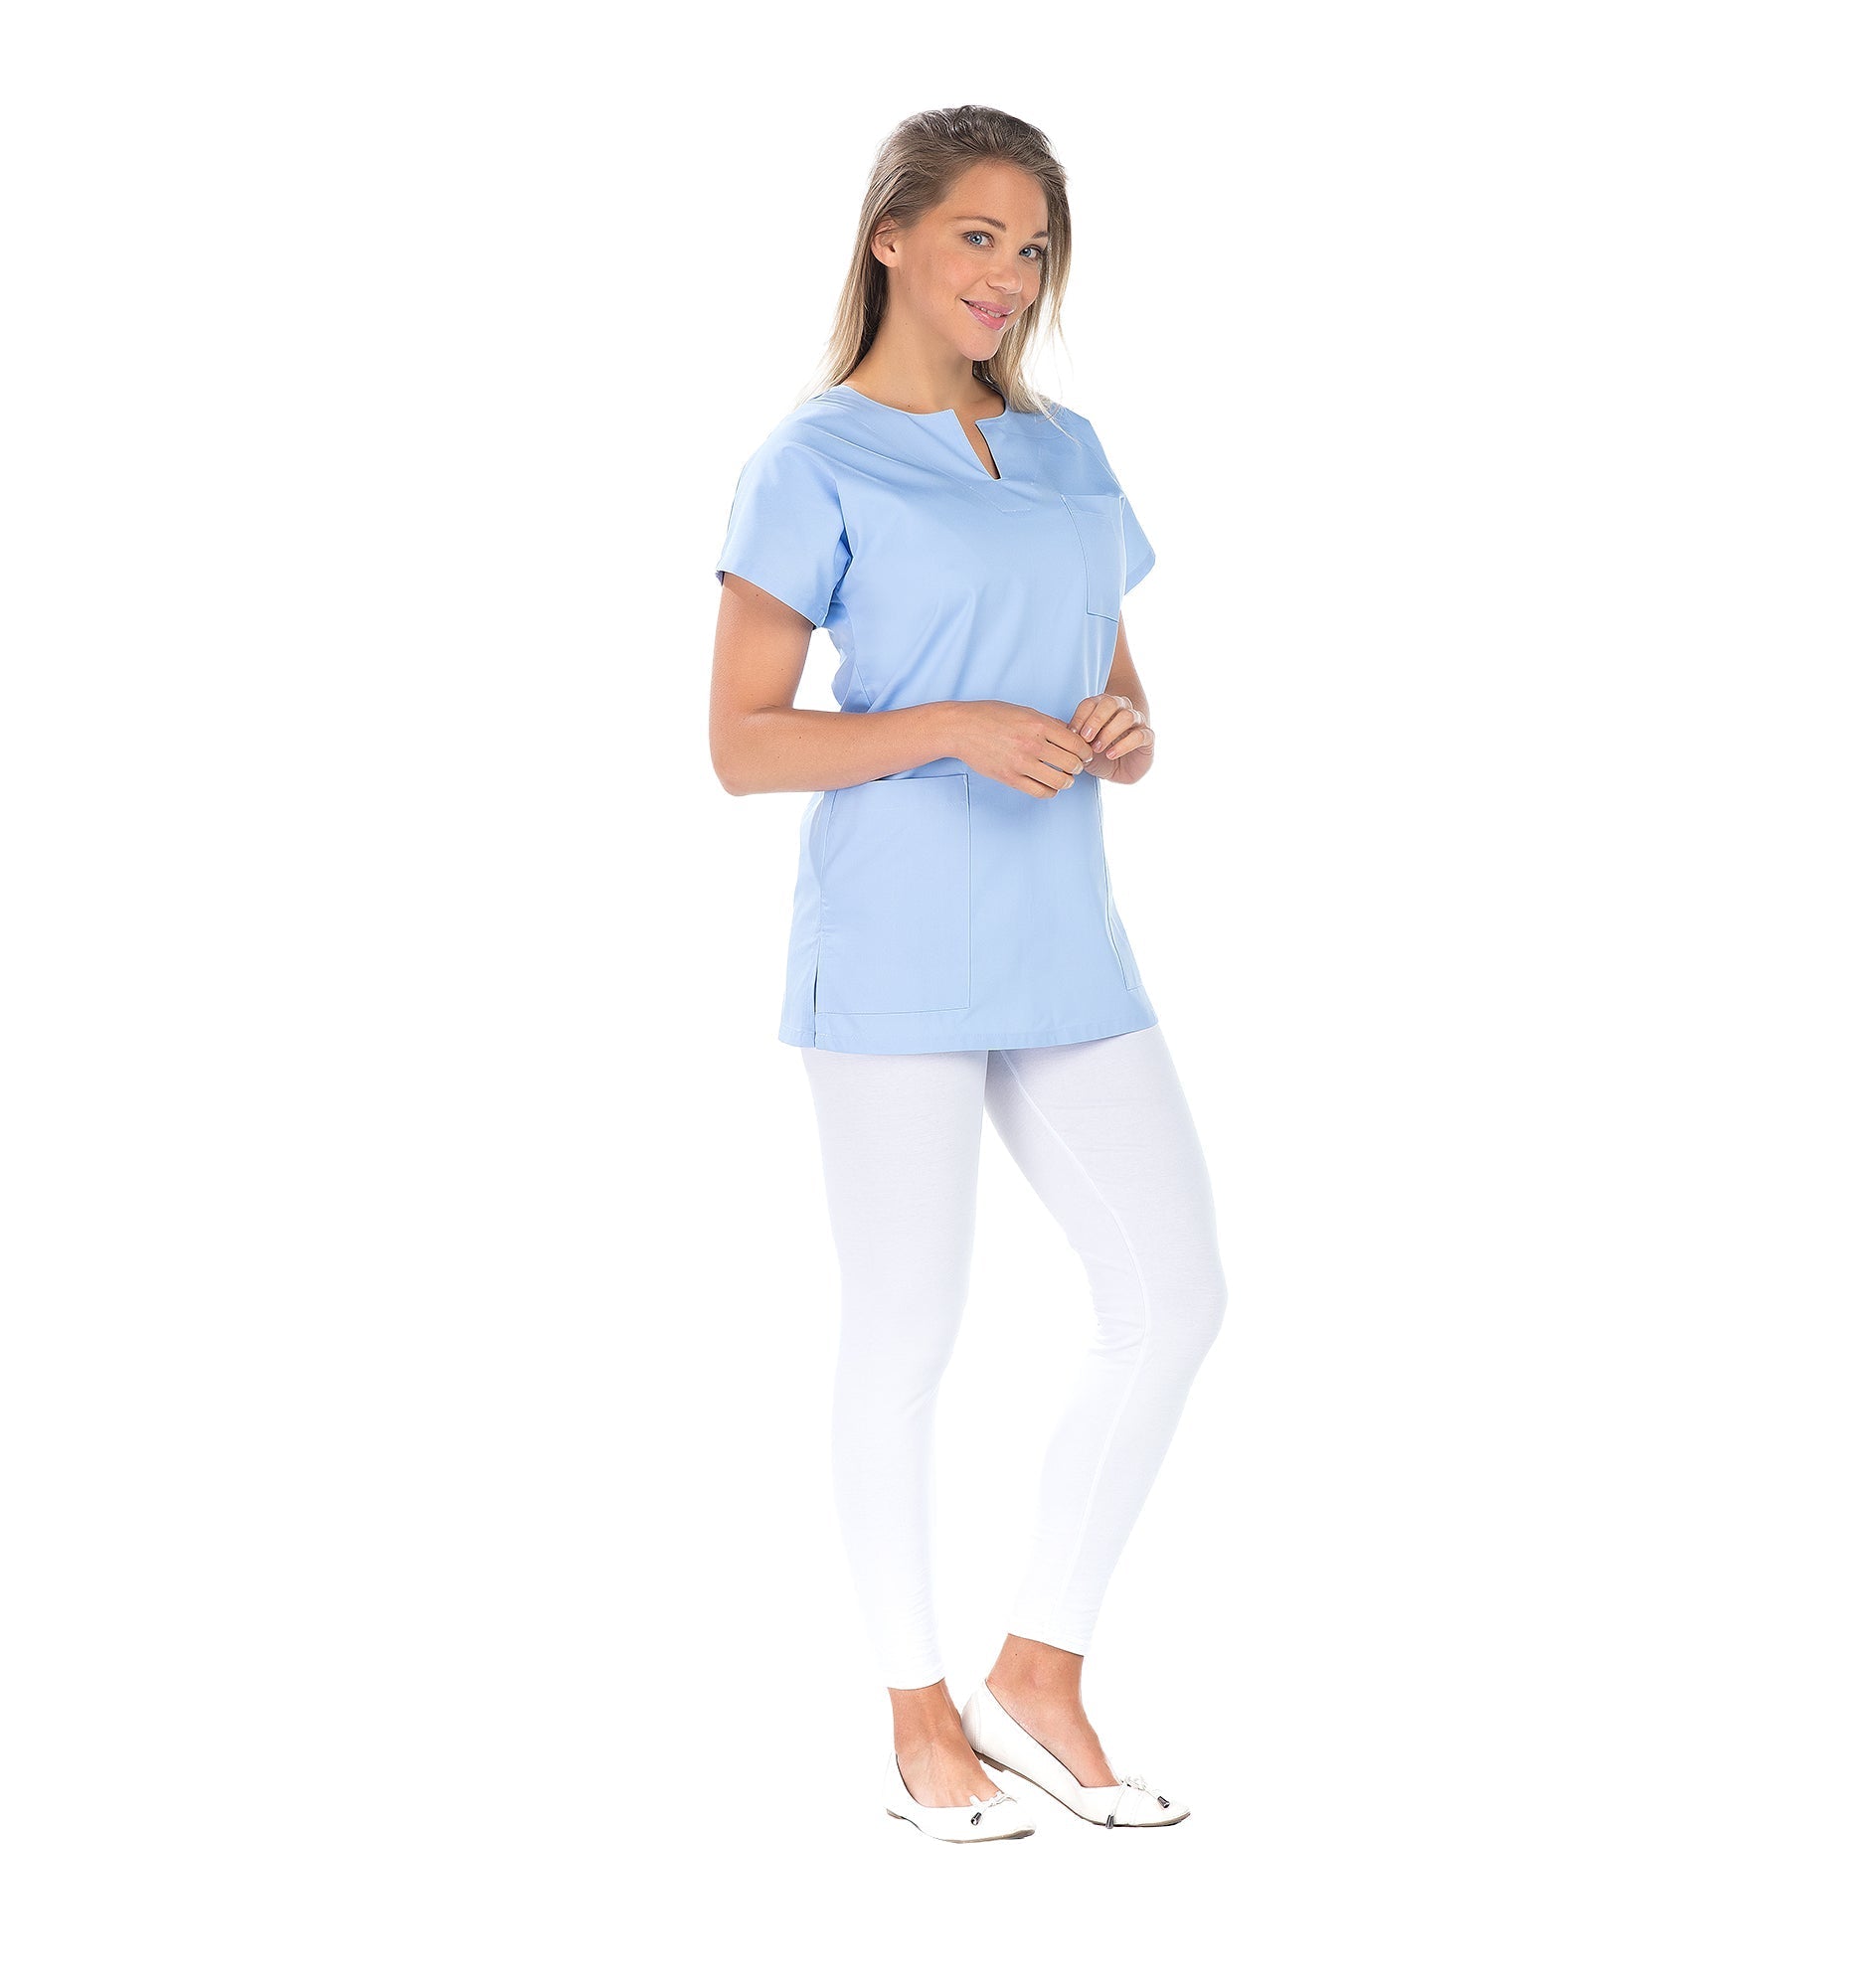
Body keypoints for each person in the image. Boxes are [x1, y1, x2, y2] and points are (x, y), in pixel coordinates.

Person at [709, 104, 1226, 1843]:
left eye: (1033, 247)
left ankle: (1038, 1671)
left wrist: (1121, 730)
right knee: (908, 1329)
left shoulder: (1069, 449)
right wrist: (948, 726)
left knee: (1174, 1298)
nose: (1009, 275)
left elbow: (1119, 694)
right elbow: (742, 745)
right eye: (978, 237)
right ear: (892, 239)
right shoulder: (812, 459)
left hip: (1066, 941)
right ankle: (917, 1711)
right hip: (897, 950)